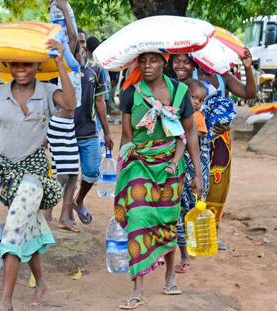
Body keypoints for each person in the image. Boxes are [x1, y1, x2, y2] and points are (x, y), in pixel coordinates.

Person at [0, 39, 75, 311]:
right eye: (16, 63)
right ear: (8, 65)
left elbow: (70, 103)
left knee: (13, 228)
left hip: (35, 174)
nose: (22, 68)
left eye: (28, 63)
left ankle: (5, 300)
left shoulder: (47, 91)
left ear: (37, 66)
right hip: (8, 173)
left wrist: (59, 61)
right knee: (26, 227)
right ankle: (41, 281)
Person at [116, 52, 203, 309]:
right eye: (142, 61)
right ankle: (138, 284)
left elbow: (189, 132)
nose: (147, 66)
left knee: (168, 219)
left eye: (153, 60)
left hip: (171, 166)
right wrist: (122, 170)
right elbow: (126, 137)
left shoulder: (180, 92)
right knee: (138, 219)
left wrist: (197, 172)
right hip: (139, 163)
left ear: (164, 62)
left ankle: (170, 274)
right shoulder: (131, 94)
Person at [173, 51, 256, 250]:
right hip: (191, 141)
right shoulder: (186, 75)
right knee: (187, 185)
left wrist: (247, 66)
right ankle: (184, 234)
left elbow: (249, 93)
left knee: (216, 186)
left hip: (219, 141)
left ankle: (209, 231)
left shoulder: (223, 76)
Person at [45, 0, 81, 233]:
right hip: (60, 123)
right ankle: (47, 213)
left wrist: (67, 10)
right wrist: (66, 10)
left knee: (68, 172)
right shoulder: (56, 55)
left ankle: (55, 215)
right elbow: (73, 36)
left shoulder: (67, 56)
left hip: (65, 123)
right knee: (66, 173)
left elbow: (75, 38)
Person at [71, 35, 113, 225]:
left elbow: (100, 101)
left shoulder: (95, 69)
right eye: (75, 42)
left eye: (82, 43)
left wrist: (107, 131)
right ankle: (59, 215)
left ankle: (78, 201)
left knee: (92, 172)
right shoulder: (59, 69)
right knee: (66, 175)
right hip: (65, 132)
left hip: (89, 132)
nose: (80, 46)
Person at [175, 78, 208, 273]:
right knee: (178, 214)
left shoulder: (198, 118)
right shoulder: (177, 115)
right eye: (193, 97)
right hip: (178, 175)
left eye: (200, 100)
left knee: (191, 212)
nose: (196, 102)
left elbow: (196, 138)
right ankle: (184, 253)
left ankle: (191, 248)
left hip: (192, 177)